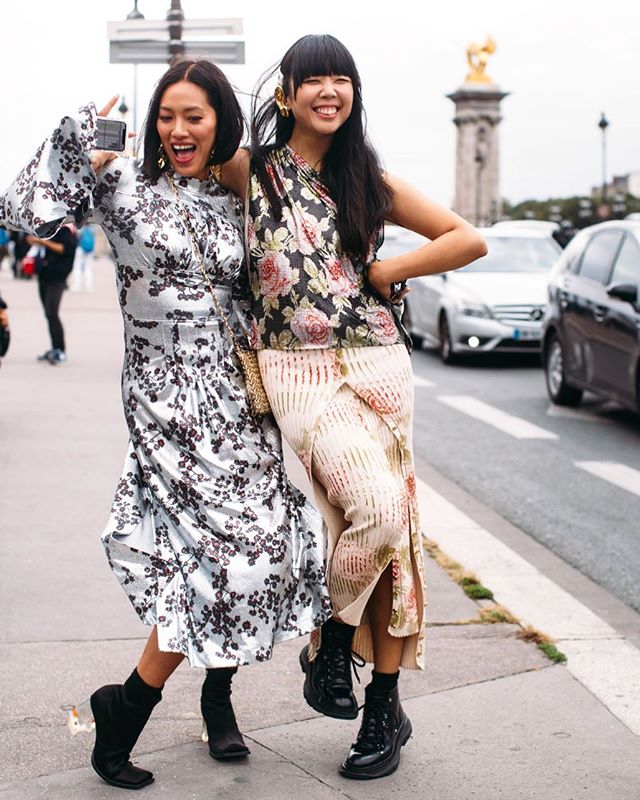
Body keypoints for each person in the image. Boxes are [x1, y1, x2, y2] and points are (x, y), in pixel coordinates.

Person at [0, 58, 330, 790]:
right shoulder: (120, 184)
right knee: (220, 558)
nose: (178, 130)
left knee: (260, 547)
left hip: (239, 397)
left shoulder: (232, 194)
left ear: (220, 126)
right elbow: (20, 211)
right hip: (165, 396)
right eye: (167, 116)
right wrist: (81, 139)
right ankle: (127, 709)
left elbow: (297, 254)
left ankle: (216, 694)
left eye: (195, 117)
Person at [218, 34, 487, 780]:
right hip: (297, 370)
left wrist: (387, 270)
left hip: (378, 365)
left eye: (342, 80)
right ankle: (333, 643)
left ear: (353, 94)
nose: (329, 91)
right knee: (373, 506)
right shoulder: (255, 172)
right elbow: (185, 142)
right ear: (286, 94)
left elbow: (467, 239)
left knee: (392, 532)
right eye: (314, 80)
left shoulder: (370, 179)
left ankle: (382, 707)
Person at [29, 224, 77, 364]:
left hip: (56, 279)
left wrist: (41, 241)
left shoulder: (66, 230)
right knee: (48, 314)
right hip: (45, 276)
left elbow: (63, 248)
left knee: (52, 313)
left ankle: (60, 350)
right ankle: (54, 348)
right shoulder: (53, 230)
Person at [70, 224, 96, 291]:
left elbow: (77, 237)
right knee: (88, 268)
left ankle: (77, 285)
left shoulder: (80, 228)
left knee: (77, 267)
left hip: (80, 249)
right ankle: (89, 286)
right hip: (90, 250)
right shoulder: (93, 228)